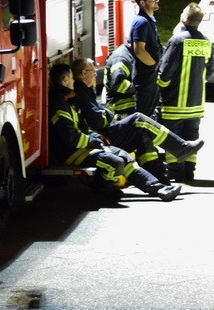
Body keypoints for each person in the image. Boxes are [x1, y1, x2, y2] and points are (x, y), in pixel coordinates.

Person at [48, 63, 180, 202]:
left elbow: (81, 128)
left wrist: (94, 137)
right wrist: (92, 140)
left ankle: (158, 188)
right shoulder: (59, 103)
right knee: (114, 162)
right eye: (71, 78)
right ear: (65, 80)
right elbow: (72, 138)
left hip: (80, 147)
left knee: (124, 156)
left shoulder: (66, 99)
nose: (74, 81)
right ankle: (102, 189)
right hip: (71, 152)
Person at [70, 58, 203, 182]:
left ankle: (159, 177)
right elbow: (98, 121)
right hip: (101, 139)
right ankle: (180, 149)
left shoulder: (85, 90)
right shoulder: (81, 92)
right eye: (93, 70)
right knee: (139, 119)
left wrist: (105, 114)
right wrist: (106, 116)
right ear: (83, 73)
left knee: (142, 134)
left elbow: (102, 113)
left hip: (101, 136)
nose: (95, 73)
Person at [157, 3, 214, 183]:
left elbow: (165, 71)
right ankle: (189, 172)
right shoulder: (206, 42)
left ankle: (176, 173)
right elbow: (210, 71)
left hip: (175, 103)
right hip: (196, 104)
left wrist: (161, 87)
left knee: (173, 138)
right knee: (192, 138)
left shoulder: (177, 41)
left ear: (185, 19)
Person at [128, 0, 163, 116]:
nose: (156, 0)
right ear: (142, 3)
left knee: (151, 114)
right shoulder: (141, 22)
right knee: (144, 115)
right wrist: (154, 65)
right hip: (146, 77)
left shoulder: (149, 21)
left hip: (151, 77)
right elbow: (139, 51)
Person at [103, 42, 137, 116]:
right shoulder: (121, 58)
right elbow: (117, 84)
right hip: (122, 109)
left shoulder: (129, 54)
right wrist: (140, 88)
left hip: (127, 108)